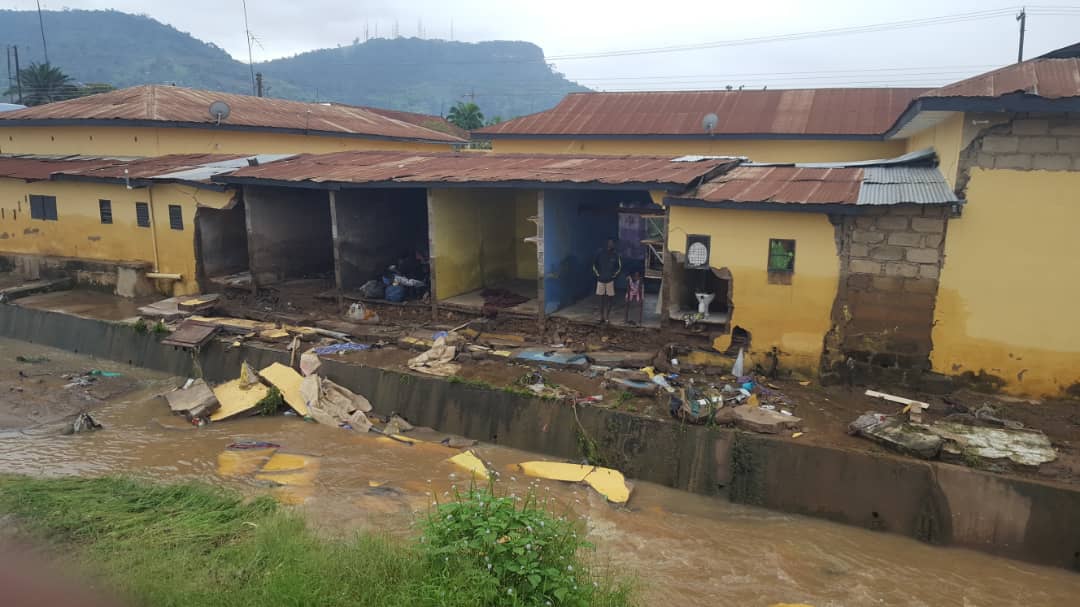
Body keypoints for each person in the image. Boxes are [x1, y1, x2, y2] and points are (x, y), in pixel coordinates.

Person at [592, 239, 622, 323]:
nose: (611, 244)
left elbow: (619, 267)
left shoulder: (616, 255)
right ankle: (601, 317)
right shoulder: (600, 253)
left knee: (610, 300)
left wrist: (613, 276)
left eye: (612, 243)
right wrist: (598, 275)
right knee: (600, 299)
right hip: (600, 280)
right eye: (609, 242)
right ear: (606, 243)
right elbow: (594, 265)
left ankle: (607, 317)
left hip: (610, 281)